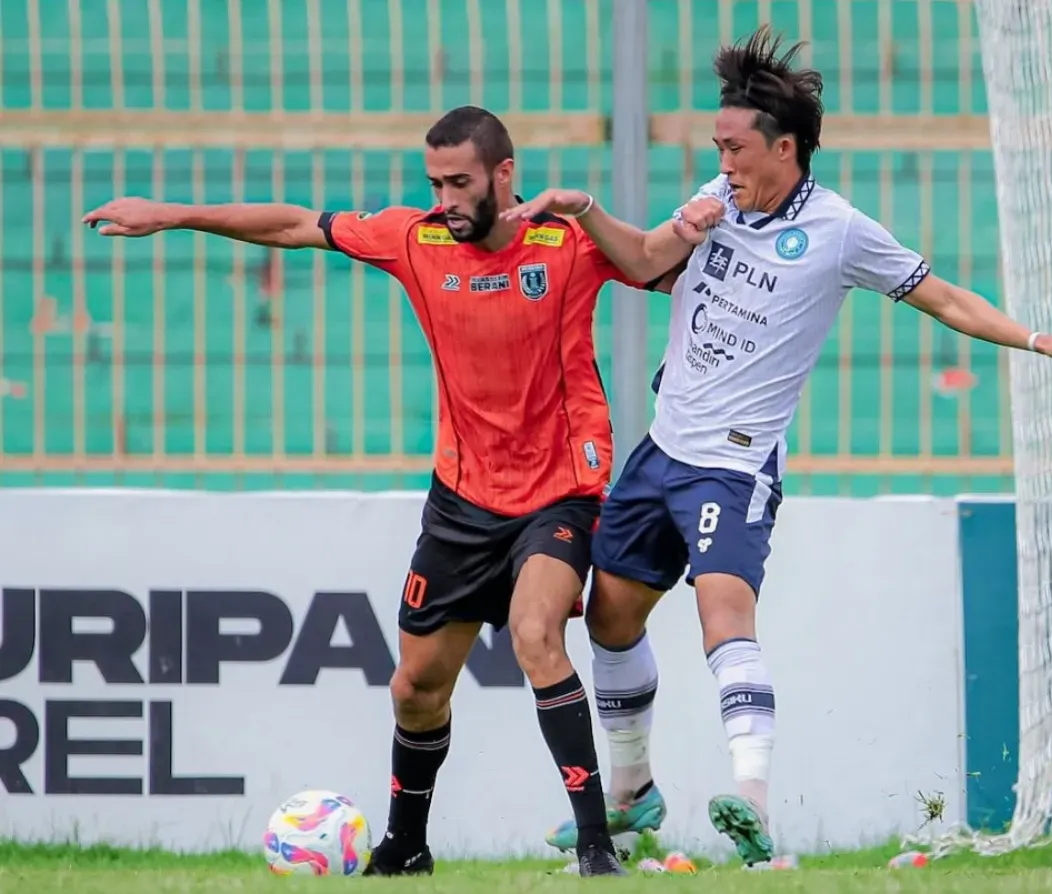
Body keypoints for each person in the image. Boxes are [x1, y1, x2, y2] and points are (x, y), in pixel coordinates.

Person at [502, 25, 1052, 867]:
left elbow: (940, 297)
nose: (722, 161)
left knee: (722, 608)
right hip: (662, 450)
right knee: (611, 620)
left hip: (735, 460)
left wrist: (1037, 338)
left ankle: (752, 797)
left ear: (785, 147)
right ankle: (632, 794)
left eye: (734, 147)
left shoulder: (839, 231)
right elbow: (646, 265)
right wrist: (590, 213)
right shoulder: (714, 202)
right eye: (716, 147)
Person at [82, 105, 661, 878]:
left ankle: (597, 844)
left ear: (504, 174)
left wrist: (618, 209)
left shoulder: (566, 244)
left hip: (560, 490)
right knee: (415, 687)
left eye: (461, 182)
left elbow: (660, 262)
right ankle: (407, 845)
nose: (446, 198)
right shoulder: (414, 239)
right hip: (461, 500)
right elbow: (295, 224)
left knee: (535, 634)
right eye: (435, 182)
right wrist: (172, 215)